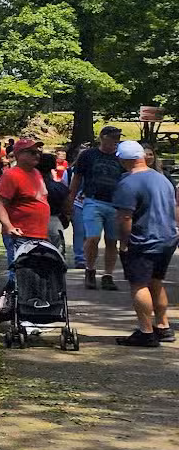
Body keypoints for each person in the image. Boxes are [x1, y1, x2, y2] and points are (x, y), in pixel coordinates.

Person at [111, 140, 178, 346]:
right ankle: (164, 326)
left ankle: (146, 331)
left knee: (139, 284)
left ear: (123, 160)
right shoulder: (162, 179)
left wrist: (124, 242)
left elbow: (125, 217)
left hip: (143, 240)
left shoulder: (128, 183)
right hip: (167, 238)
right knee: (156, 282)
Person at [70, 126, 127, 289]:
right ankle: (90, 269)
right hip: (93, 200)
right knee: (92, 237)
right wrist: (70, 199)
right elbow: (77, 178)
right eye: (112, 137)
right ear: (103, 137)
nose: (115, 141)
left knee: (111, 240)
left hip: (115, 204)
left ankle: (108, 275)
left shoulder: (121, 158)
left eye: (118, 138)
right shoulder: (88, 155)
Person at [0, 138, 55, 264]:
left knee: (37, 274)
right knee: (20, 273)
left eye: (38, 152)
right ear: (19, 155)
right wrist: (9, 227)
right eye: (32, 152)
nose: (37, 155)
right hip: (20, 234)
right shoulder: (11, 175)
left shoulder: (36, 172)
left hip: (40, 234)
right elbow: (0, 204)